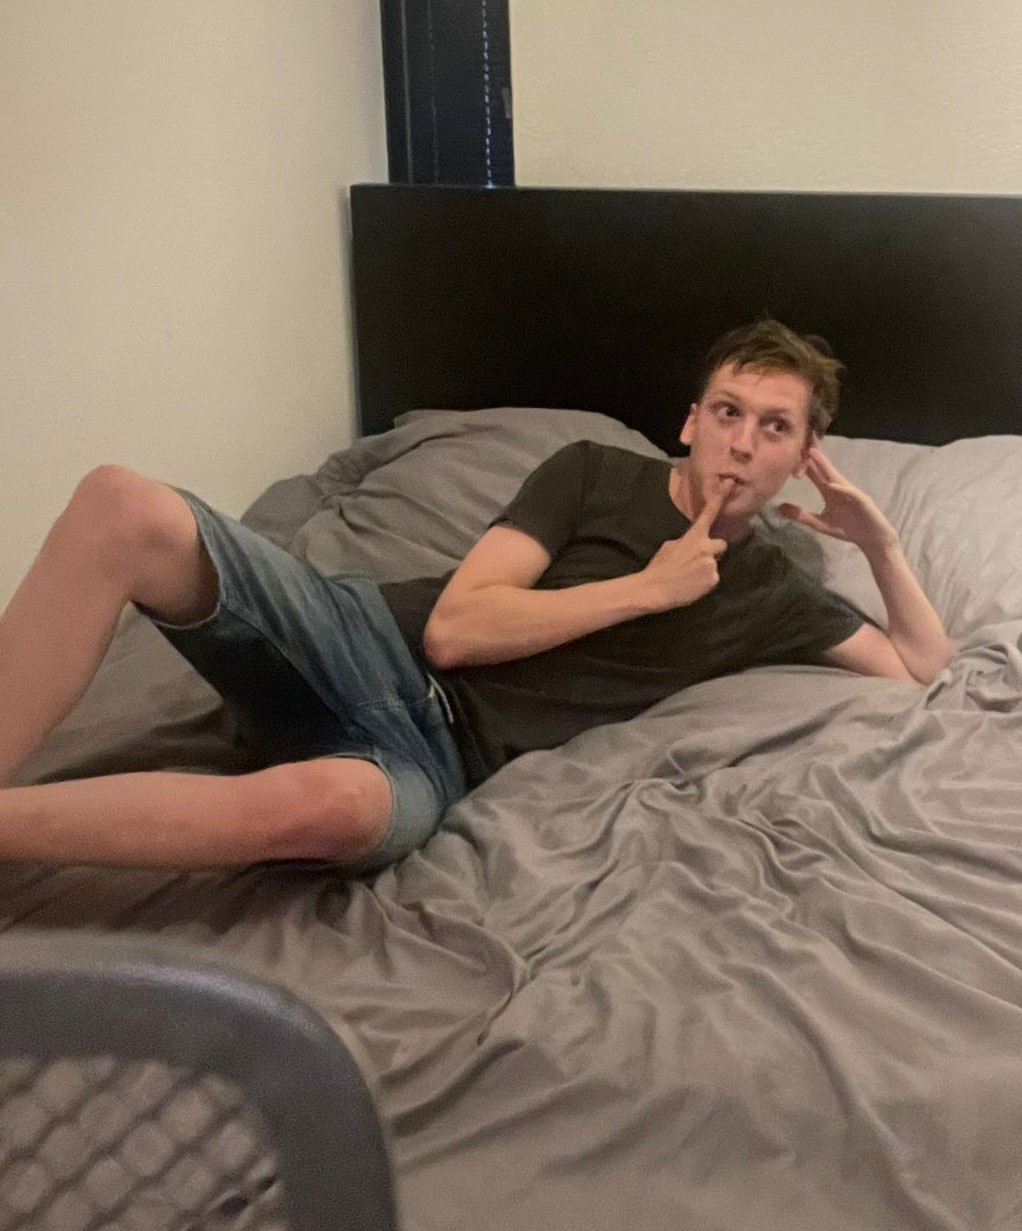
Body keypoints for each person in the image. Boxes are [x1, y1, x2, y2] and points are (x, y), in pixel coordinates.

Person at [0, 319, 951, 872]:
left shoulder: (769, 588)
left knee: (333, 807)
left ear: (803, 456)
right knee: (123, 506)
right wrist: (645, 590)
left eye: (775, 427)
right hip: (362, 637)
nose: (742, 443)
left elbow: (920, 665)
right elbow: (456, 628)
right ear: (690, 421)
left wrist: (882, 544)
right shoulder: (592, 472)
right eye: (729, 412)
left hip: (435, 754)